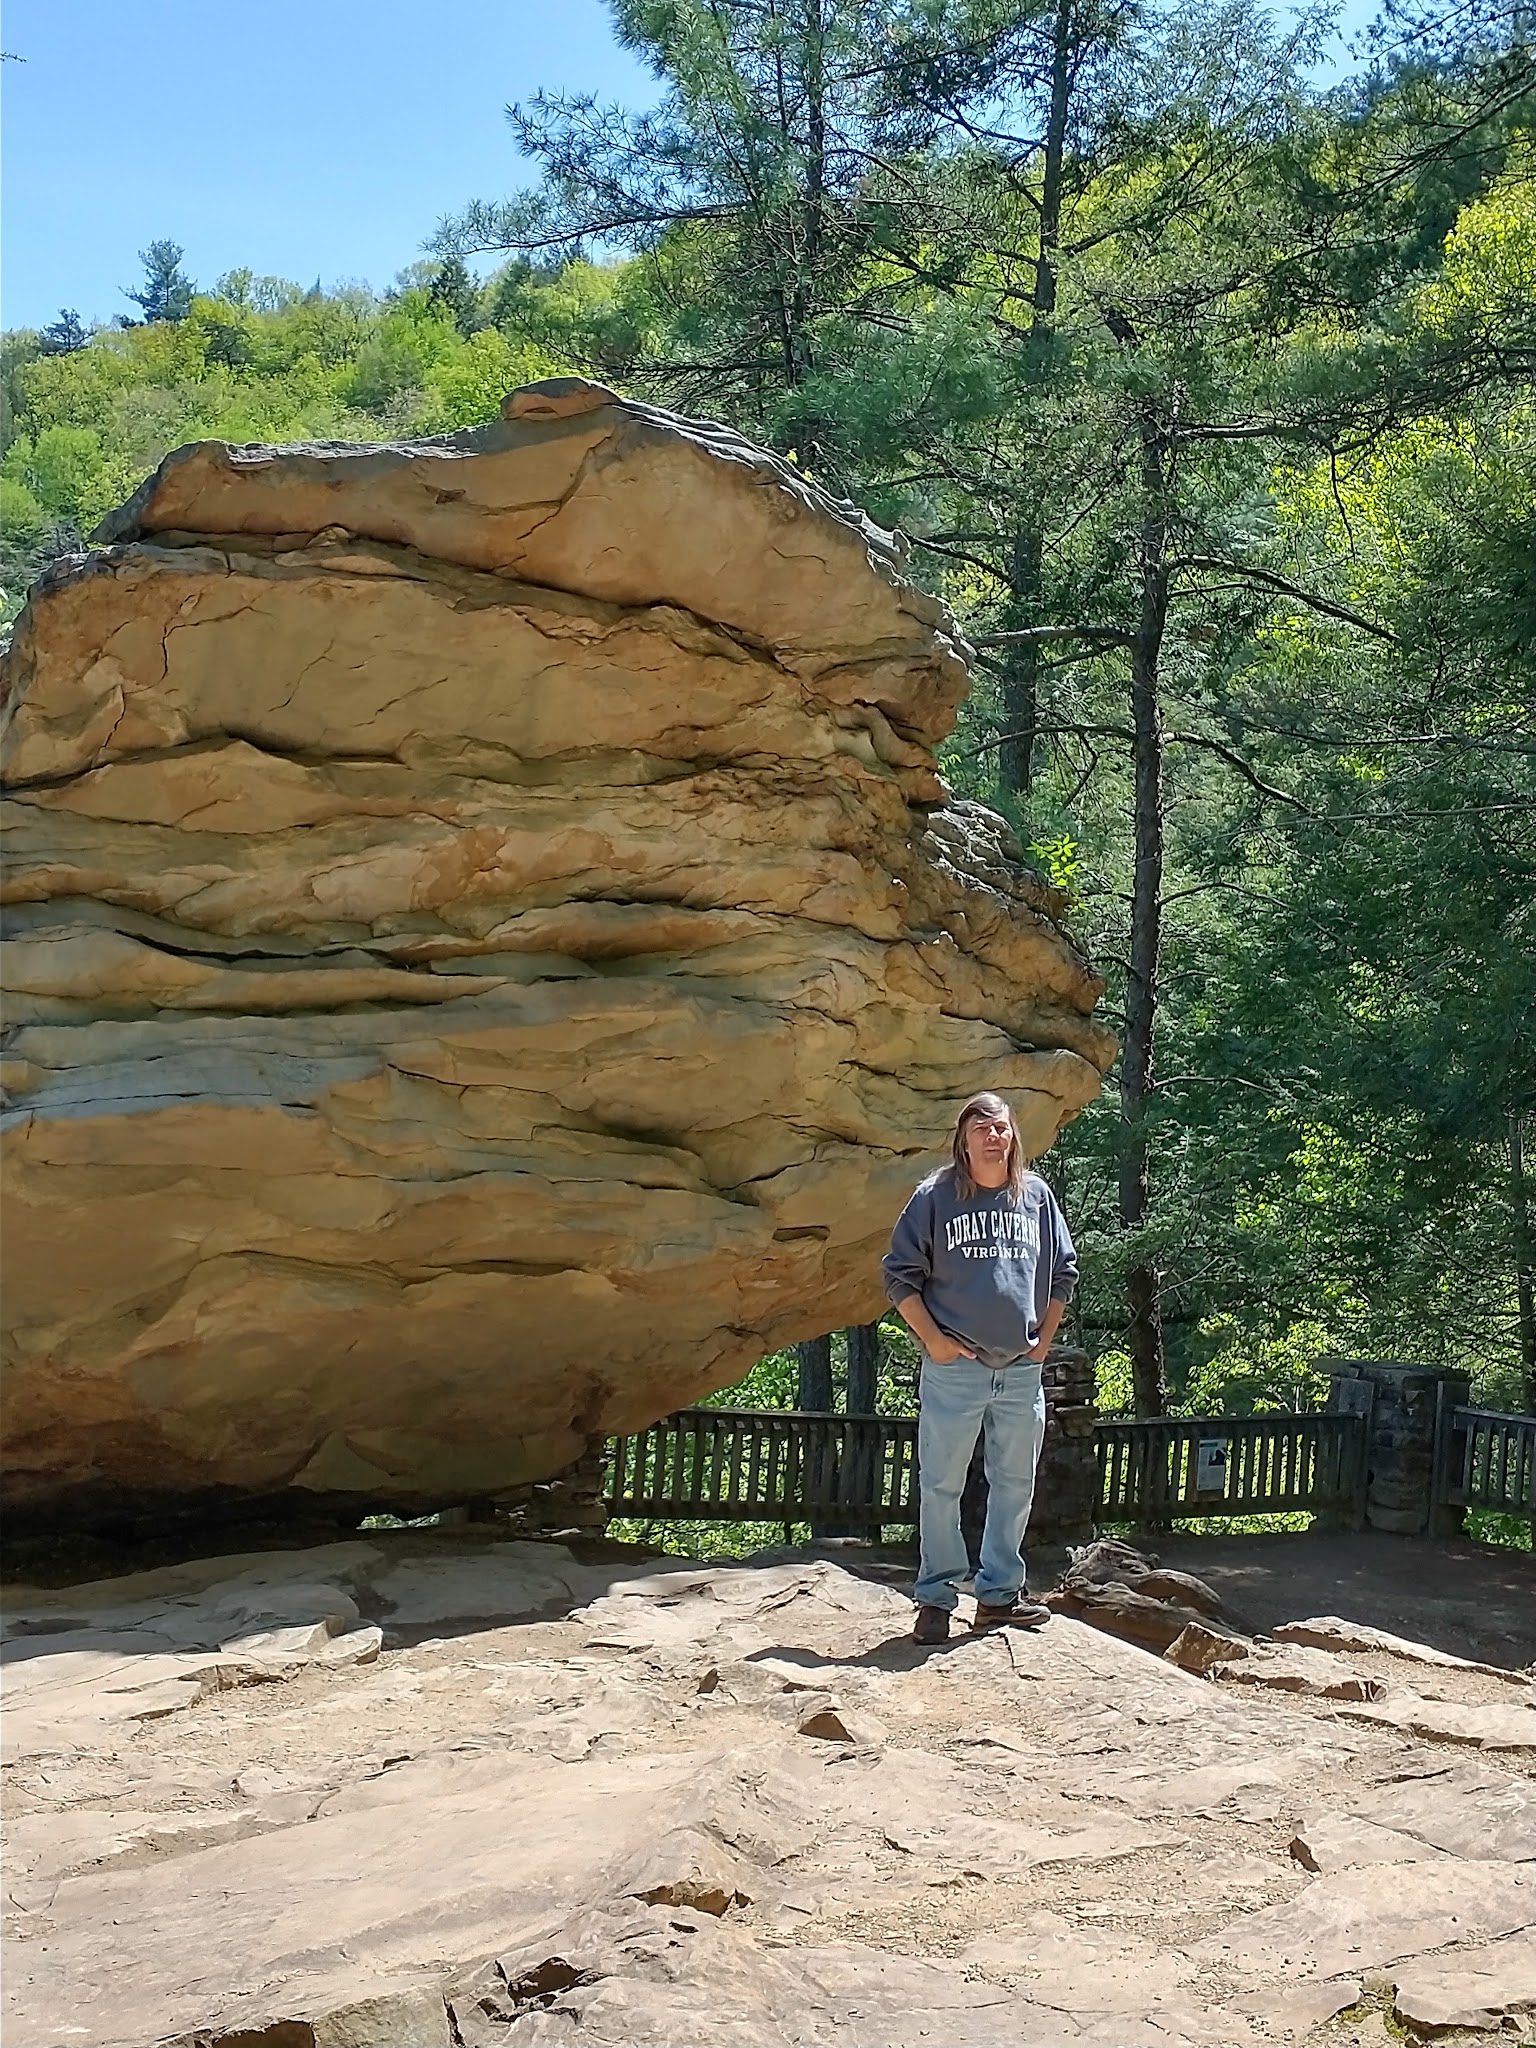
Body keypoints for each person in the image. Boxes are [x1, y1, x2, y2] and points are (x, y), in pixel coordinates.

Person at [882, 1091, 1078, 1646]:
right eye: (981, 1127)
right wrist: (936, 1344)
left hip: (1020, 1371)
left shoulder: (1035, 1197)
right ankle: (936, 1600)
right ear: (963, 1138)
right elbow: (899, 1276)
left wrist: (1044, 1343)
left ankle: (998, 1597)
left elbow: (1062, 1272)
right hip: (956, 1371)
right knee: (940, 1484)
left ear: (1013, 1137)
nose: (994, 1136)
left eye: (1001, 1128)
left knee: (1014, 1483)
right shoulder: (935, 1197)